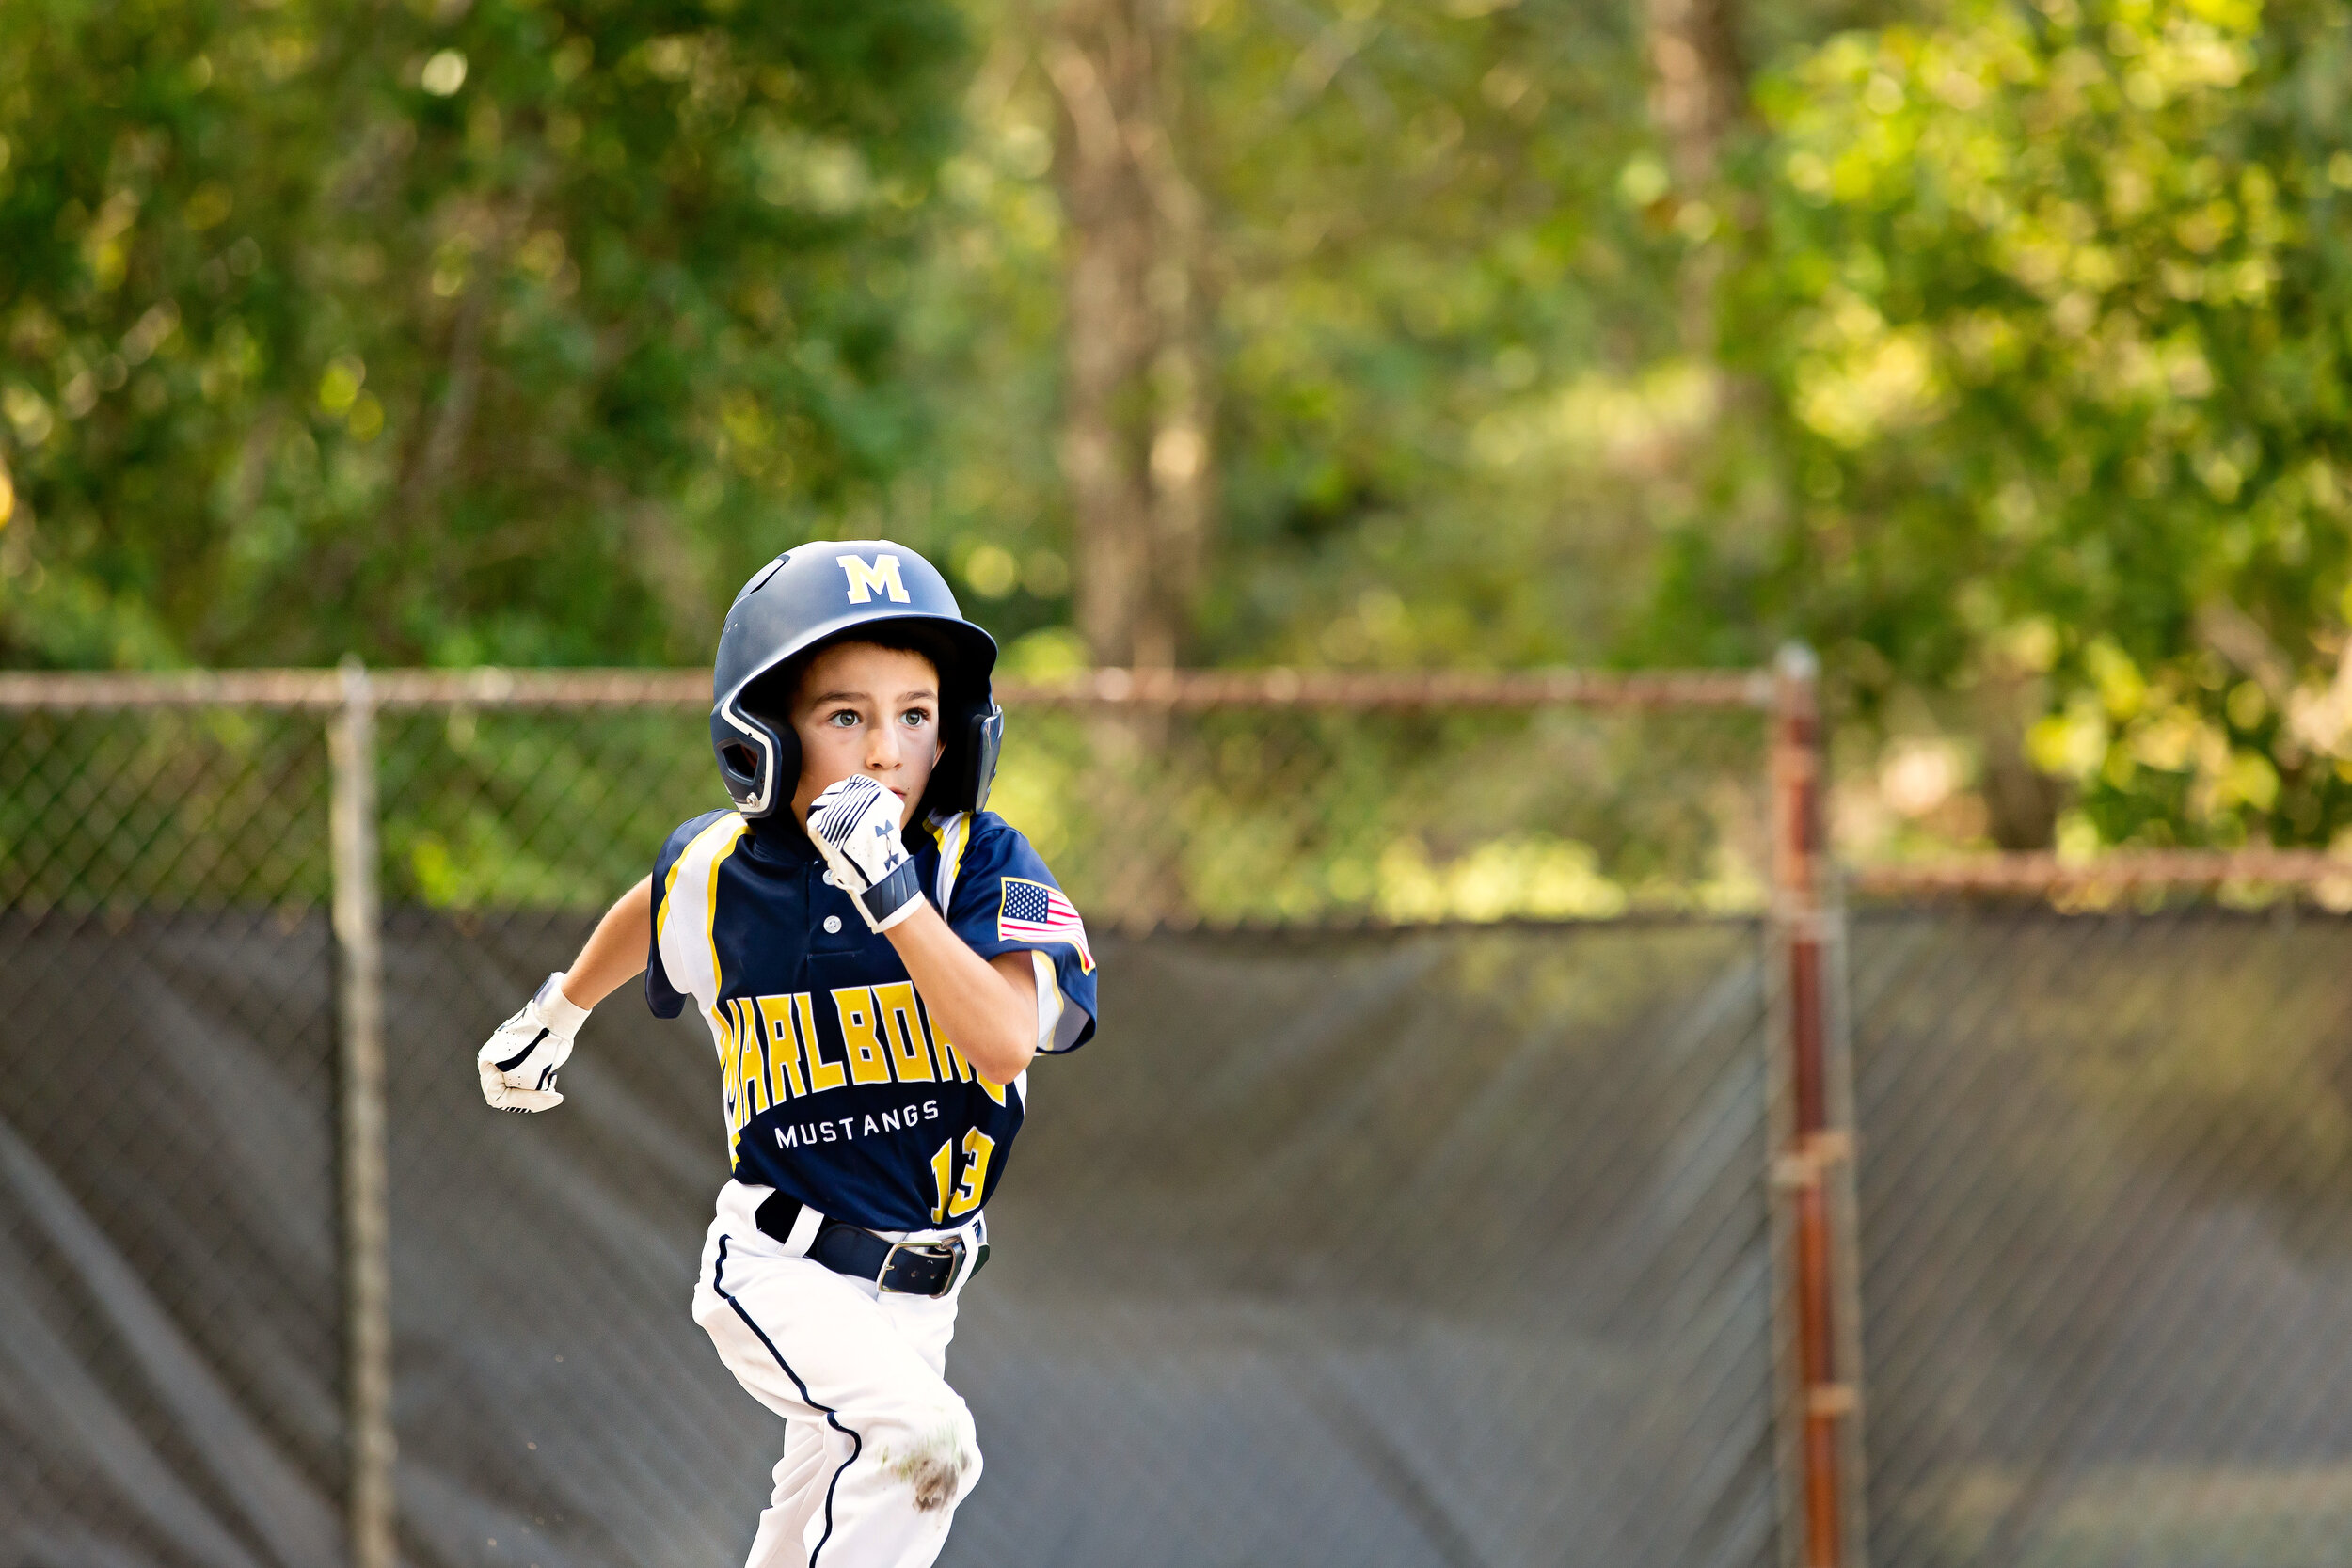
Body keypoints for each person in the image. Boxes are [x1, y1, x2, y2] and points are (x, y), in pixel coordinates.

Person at [473, 540, 1097, 1568]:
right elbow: (659, 896)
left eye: (915, 712)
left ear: (956, 734)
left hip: (923, 1294)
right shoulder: (729, 871)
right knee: (924, 1442)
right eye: (844, 715)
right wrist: (561, 1009)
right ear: (762, 734)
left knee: (806, 1530)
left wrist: (890, 895)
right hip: (777, 1263)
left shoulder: (977, 864)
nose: (887, 748)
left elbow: (1000, 1038)